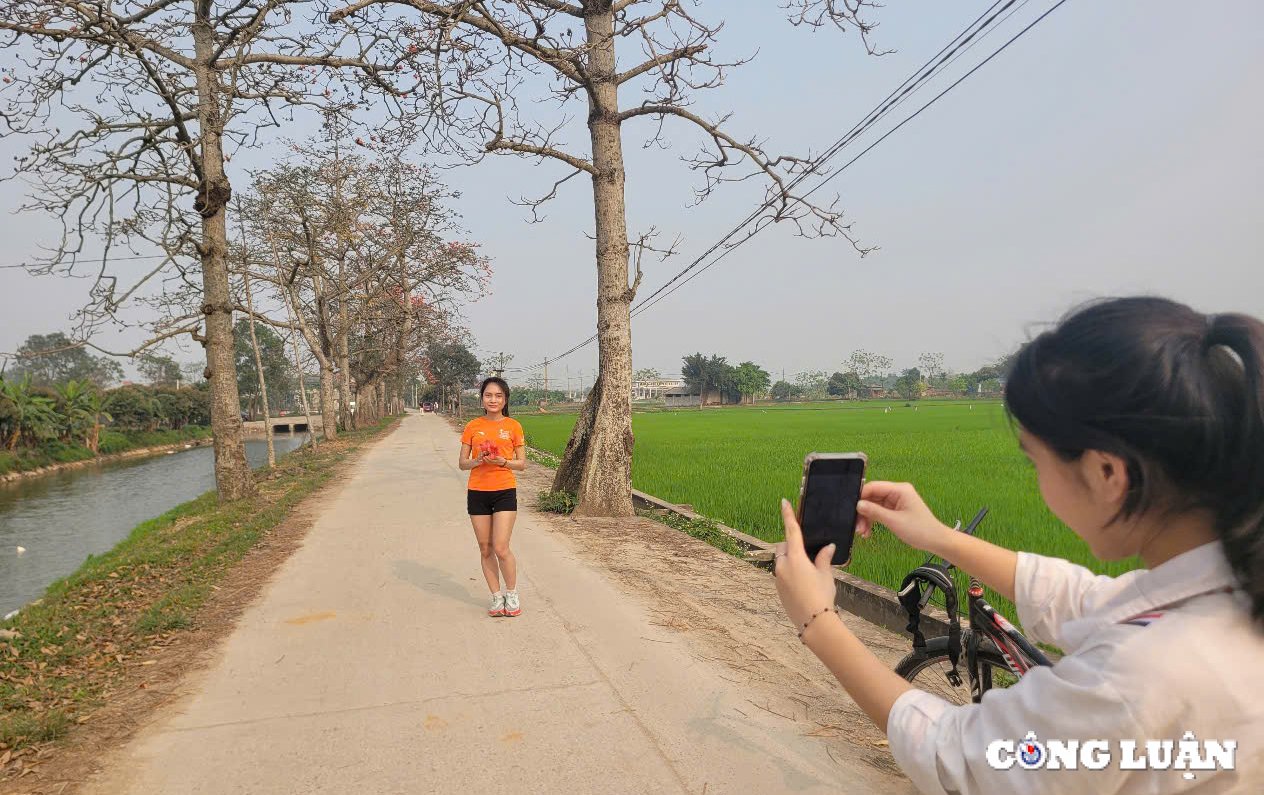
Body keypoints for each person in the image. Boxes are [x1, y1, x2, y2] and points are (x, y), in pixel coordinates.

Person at [773, 297, 1263, 793]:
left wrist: (818, 622)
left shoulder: (1137, 676)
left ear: (1107, 473)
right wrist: (938, 536)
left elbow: (961, 757)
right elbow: (1086, 599)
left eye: (1036, 461)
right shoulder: (1229, 588)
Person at [459, 377, 527, 618]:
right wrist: (477, 461)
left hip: (504, 490)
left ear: (505, 399)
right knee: (485, 547)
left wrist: (504, 462)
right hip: (477, 492)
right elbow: (462, 463)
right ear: (482, 399)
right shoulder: (472, 426)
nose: (493, 400)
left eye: (498, 396)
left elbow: (522, 463)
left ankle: (512, 593)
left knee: (500, 546)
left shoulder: (514, 426)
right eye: (488, 395)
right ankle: (496, 597)